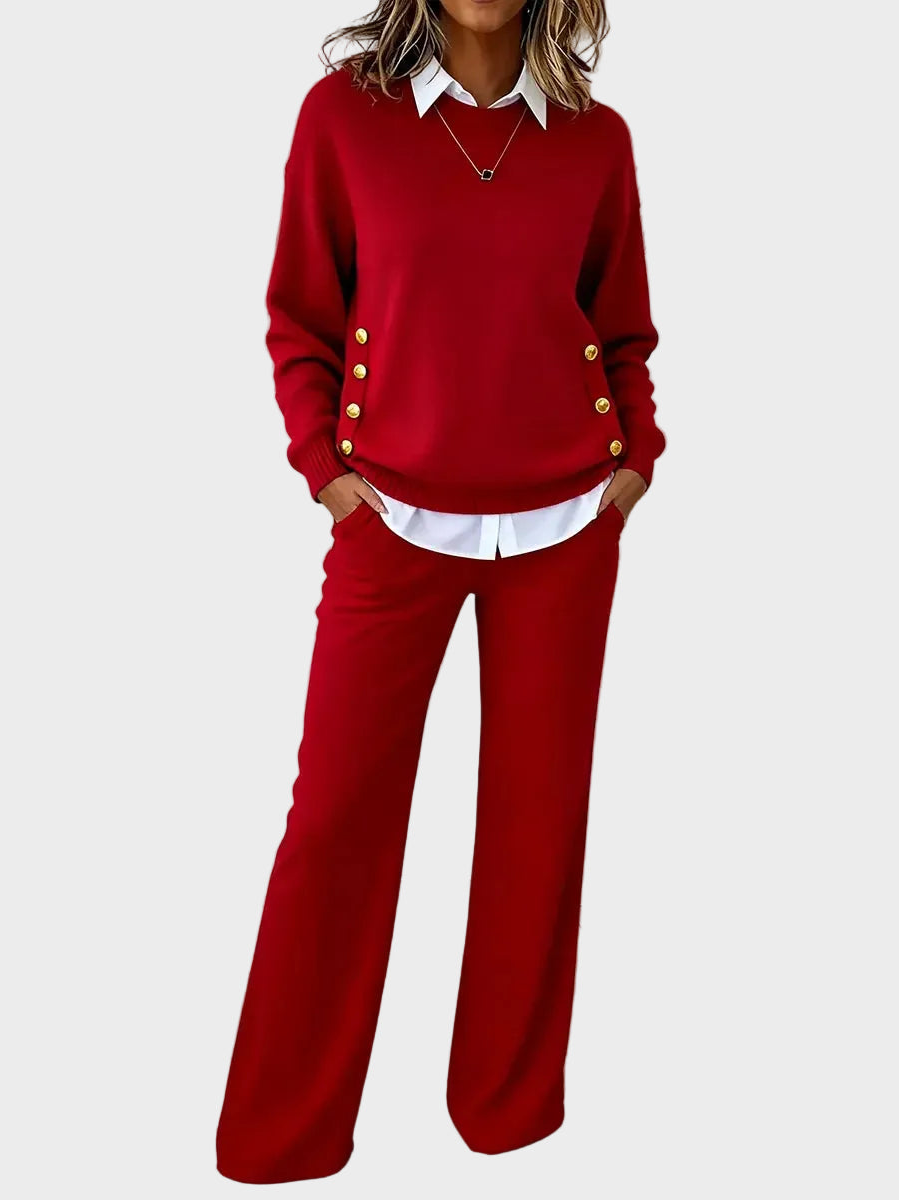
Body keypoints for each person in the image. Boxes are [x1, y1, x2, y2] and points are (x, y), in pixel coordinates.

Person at [216, 0, 665, 1183]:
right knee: (337, 821)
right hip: (390, 520)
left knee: (538, 825)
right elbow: (300, 318)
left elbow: (622, 329)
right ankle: (281, 1138)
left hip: (566, 524)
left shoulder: (596, 139)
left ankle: (506, 1123)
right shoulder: (343, 121)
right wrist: (328, 474)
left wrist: (631, 465)